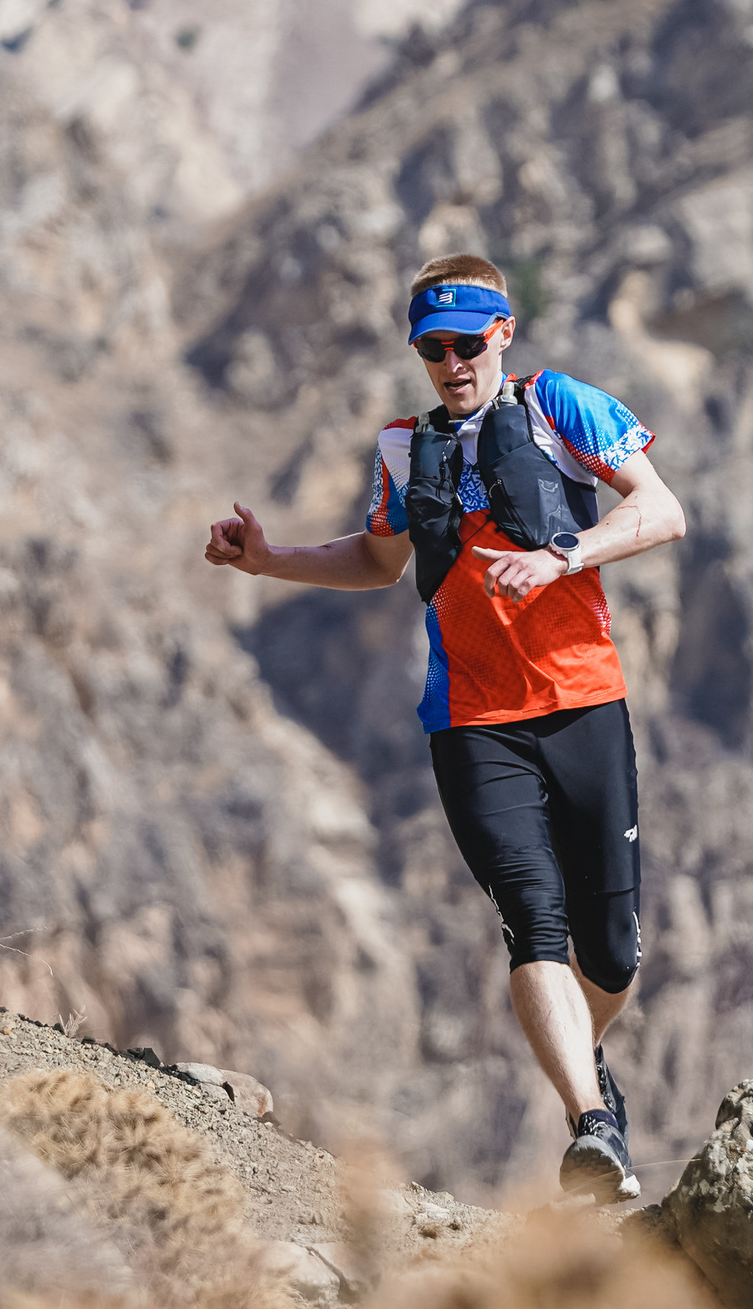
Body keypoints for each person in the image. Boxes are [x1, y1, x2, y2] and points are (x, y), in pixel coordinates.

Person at [203, 253, 686, 1202]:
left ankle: (590, 1064)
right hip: (471, 719)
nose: (451, 363)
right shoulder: (403, 446)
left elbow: (662, 510)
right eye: (433, 348)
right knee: (532, 915)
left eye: (466, 343)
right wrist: (268, 562)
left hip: (584, 698)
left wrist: (562, 558)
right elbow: (381, 558)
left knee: (615, 949)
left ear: (501, 333)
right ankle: (591, 1125)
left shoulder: (562, 407)